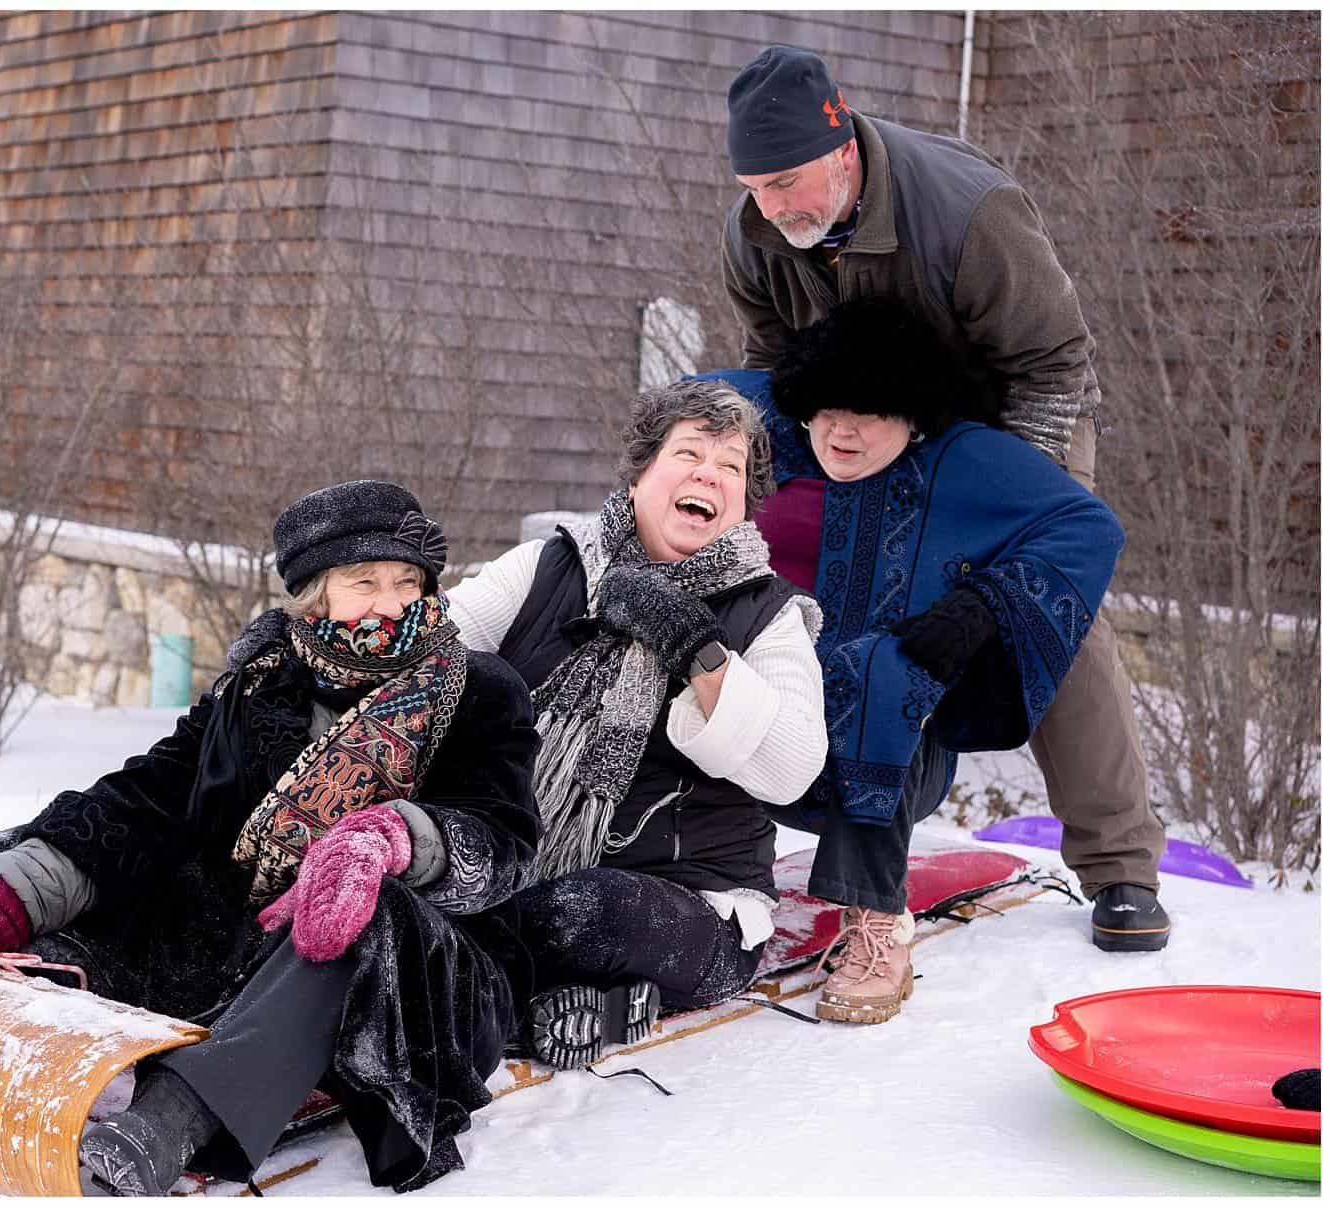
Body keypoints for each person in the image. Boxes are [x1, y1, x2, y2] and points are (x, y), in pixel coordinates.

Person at [0, 480, 542, 1195]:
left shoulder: (477, 692)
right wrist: (7, 898)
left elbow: (506, 840)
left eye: (407, 581)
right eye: (364, 582)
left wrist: (389, 840)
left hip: (419, 972)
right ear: (315, 597)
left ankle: (173, 1117)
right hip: (237, 933)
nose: (391, 602)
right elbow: (150, 794)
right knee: (114, 889)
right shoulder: (264, 680)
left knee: (356, 918)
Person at [718, 44, 1170, 951]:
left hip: (1011, 414)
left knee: (1052, 606)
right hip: (858, 415)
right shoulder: (755, 231)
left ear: (842, 145)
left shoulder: (969, 214)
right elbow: (775, 369)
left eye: (789, 181)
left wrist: (991, 524)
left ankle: (1121, 865)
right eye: (755, 186)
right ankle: (776, 807)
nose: (773, 207)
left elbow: (1055, 364)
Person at [694, 297, 1127, 1023]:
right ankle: (674, 875)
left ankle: (874, 925)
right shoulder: (773, 428)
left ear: (915, 414)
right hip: (769, 717)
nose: (841, 429)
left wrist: (983, 605)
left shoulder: (968, 459)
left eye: (867, 412)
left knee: (881, 665)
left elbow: (1089, 527)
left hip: (894, 742)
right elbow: (678, 412)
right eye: (828, 408)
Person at [448, 378, 827, 1068]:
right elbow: (435, 655)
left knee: (592, 907)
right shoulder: (548, 565)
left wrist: (696, 650)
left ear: (743, 503)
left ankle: (455, 990)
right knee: (442, 873)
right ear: (641, 473)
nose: (708, 474)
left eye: (730, 467)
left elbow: (794, 765)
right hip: (518, 873)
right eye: (689, 453)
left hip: (687, 912)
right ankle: (545, 1001)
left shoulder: (770, 615)